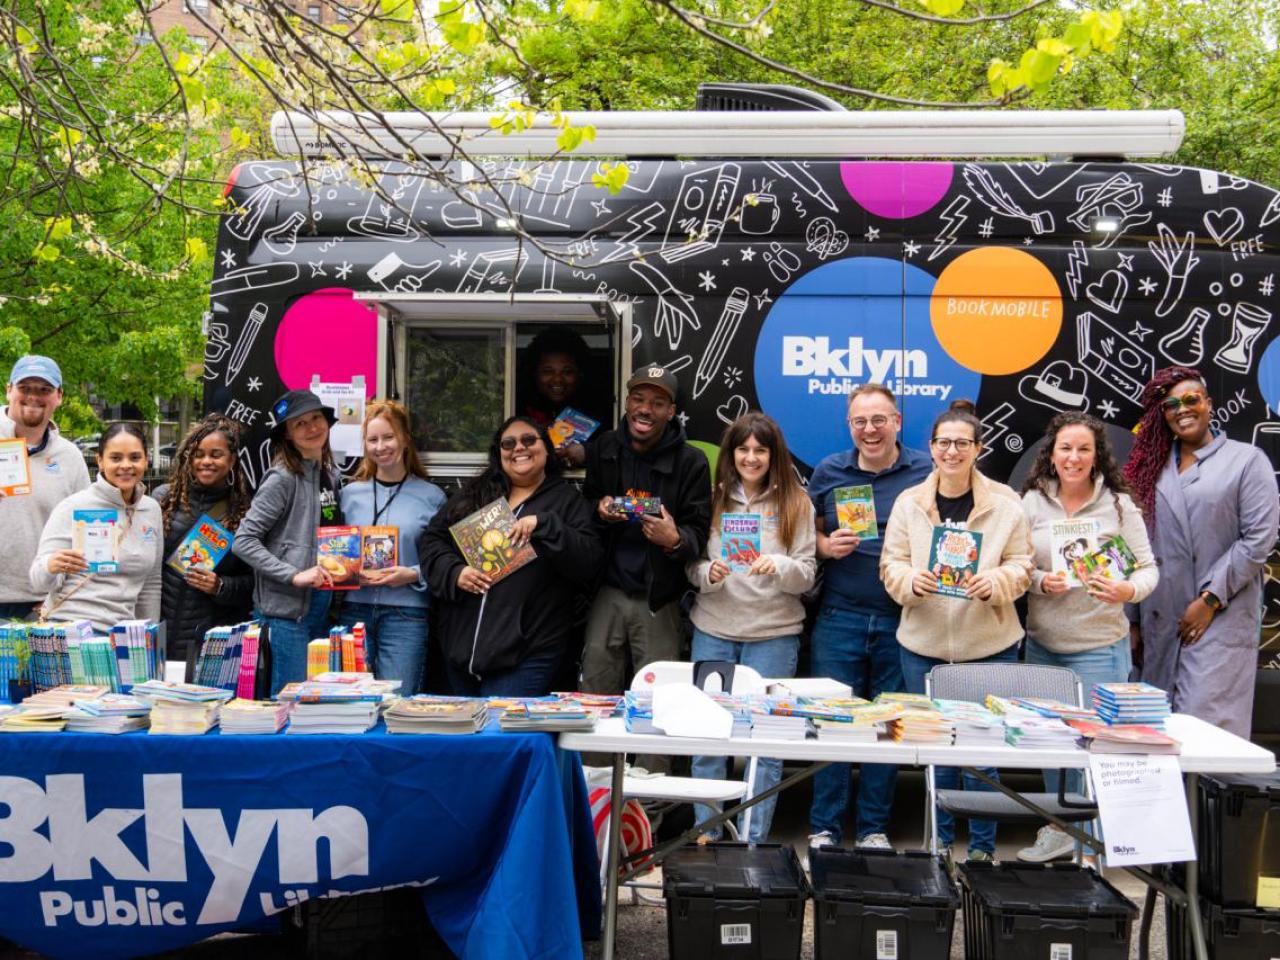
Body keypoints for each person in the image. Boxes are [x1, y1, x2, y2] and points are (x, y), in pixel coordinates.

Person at [879, 399, 1032, 862]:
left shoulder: (1006, 503)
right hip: (922, 646)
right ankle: (942, 844)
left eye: (961, 443)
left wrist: (998, 582)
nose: (951, 451)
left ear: (978, 449)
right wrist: (910, 582)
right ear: (930, 448)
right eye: (943, 442)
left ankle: (982, 851)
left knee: (984, 756)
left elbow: (1023, 565)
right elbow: (892, 564)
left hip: (989, 645)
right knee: (937, 753)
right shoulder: (910, 503)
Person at [1016, 411, 1159, 863]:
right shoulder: (1031, 503)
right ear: (1051, 455)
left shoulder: (1118, 506)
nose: (1073, 457)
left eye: (1083, 449)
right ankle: (1060, 831)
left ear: (1097, 456)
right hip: (1042, 645)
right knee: (1048, 748)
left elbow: (1148, 568)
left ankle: (1094, 845)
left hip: (1099, 646)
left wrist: (1127, 589)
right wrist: (1040, 581)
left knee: (1097, 748)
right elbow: (1017, 564)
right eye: (1065, 448)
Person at [806, 384, 932, 853]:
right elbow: (808, 532)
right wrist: (824, 547)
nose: (870, 430)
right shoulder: (829, 472)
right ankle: (825, 827)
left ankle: (875, 827)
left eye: (879, 419)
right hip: (840, 615)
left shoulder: (927, 470)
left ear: (897, 422)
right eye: (860, 421)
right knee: (834, 721)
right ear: (849, 426)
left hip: (904, 618)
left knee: (887, 725)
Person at [1124, 366, 1279, 738]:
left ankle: (1209, 800)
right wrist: (1131, 618)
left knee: (1206, 731)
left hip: (1218, 616)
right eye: (1171, 405)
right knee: (1155, 732)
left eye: (1191, 400)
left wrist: (1210, 599)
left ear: (1209, 404)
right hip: (1158, 616)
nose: (1182, 409)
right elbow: (1133, 543)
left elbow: (1259, 538)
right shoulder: (1151, 468)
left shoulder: (1246, 460)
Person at [686, 412, 815, 842]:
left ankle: (752, 839)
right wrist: (709, 573)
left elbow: (808, 575)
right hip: (714, 629)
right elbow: (690, 566)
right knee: (707, 737)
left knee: (765, 744)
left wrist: (778, 565)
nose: (752, 457)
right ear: (731, 454)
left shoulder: (797, 502)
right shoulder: (712, 500)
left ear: (774, 454)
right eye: (743, 449)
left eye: (761, 449)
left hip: (773, 636)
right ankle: (708, 834)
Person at [420, 416, 602, 696]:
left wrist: (546, 525)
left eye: (529, 440)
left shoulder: (567, 502)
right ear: (499, 452)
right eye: (509, 443)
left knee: (503, 736)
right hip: (458, 651)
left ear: (546, 448)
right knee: (464, 736)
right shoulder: (476, 494)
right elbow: (433, 540)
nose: (519, 448)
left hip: (527, 654)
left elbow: (589, 562)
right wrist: (455, 572)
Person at [580, 366, 711, 702]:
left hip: (660, 597)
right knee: (596, 692)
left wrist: (675, 539)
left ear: (670, 412)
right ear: (626, 402)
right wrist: (599, 510)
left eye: (657, 403)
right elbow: (582, 512)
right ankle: (596, 759)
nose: (645, 409)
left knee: (659, 701)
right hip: (606, 590)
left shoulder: (691, 461)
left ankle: (652, 759)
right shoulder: (602, 448)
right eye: (638, 399)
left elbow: (699, 532)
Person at [232, 390, 342, 694]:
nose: (311, 428)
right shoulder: (282, 478)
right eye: (300, 424)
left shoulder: (330, 474)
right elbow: (243, 541)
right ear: (288, 436)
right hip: (284, 615)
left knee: (313, 704)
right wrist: (292, 574)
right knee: (289, 704)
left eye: (316, 418)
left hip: (319, 607)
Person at [338, 400, 446, 695]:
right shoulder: (347, 495)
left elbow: (445, 561)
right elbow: (332, 550)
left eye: (388, 437)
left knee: (397, 701)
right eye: (372, 439)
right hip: (352, 611)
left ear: (405, 439)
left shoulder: (432, 497)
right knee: (350, 701)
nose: (380, 446)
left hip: (406, 615)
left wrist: (411, 574)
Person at [30, 424, 163, 633]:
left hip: (123, 636)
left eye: (135, 458)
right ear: (100, 461)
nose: (126, 465)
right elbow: (38, 580)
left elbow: (151, 583)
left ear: (146, 461)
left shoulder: (151, 509)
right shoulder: (73, 506)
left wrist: (149, 635)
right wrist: (51, 565)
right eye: (116, 458)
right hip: (71, 630)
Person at [155, 415, 256, 671]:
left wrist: (220, 586)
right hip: (158, 633)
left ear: (232, 460)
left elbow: (256, 581)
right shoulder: (164, 500)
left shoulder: (244, 512)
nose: (206, 461)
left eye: (216, 454)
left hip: (208, 639)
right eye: (199, 454)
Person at [0, 355, 90, 619]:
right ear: (9, 390)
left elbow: (82, 532)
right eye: (25, 388)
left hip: (41, 605)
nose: (33, 397)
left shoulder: (70, 457)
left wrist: (60, 596)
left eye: (44, 390)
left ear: (59, 396)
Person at [518, 328, 601, 468]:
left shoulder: (598, 412)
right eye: (547, 371)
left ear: (580, 374)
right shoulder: (519, 410)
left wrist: (586, 451)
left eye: (567, 372)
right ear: (534, 374)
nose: (557, 379)